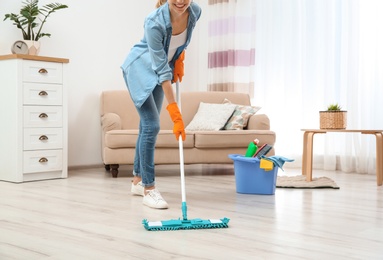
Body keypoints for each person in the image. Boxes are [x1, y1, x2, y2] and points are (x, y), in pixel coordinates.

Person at [121, 0, 201, 209]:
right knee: (152, 125)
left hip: (161, 69)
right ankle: (149, 189)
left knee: (145, 127)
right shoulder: (154, 22)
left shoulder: (195, 12)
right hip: (139, 70)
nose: (181, 1)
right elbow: (162, 71)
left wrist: (179, 60)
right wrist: (175, 113)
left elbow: (179, 44)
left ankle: (137, 181)